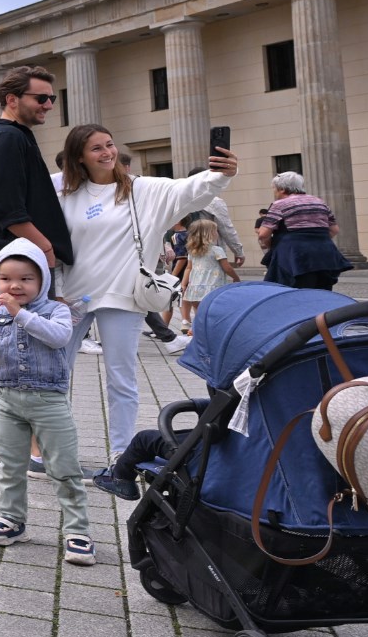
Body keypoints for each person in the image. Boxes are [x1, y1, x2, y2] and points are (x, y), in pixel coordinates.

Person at [56, 123, 235, 461]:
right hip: (73, 297)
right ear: (78, 156)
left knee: (121, 379)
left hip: (122, 296)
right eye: (96, 148)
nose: (107, 152)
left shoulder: (143, 189)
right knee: (55, 375)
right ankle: (55, 450)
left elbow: (188, 189)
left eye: (109, 144)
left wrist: (220, 175)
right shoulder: (65, 193)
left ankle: (120, 454)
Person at [0, 66, 76, 464]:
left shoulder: (5, 137)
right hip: (13, 262)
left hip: (0, 259)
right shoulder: (7, 138)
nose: (47, 105)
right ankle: (35, 449)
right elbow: (6, 206)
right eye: (40, 98)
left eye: (51, 99)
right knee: (24, 346)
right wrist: (44, 247)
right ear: (12, 100)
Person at [0, 238, 94, 565]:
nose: (15, 286)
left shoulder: (56, 310)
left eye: (26, 279)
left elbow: (59, 337)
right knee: (10, 467)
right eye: (6, 279)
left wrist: (19, 314)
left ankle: (77, 530)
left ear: (42, 280)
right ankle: (12, 520)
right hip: (7, 400)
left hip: (49, 402)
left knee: (64, 468)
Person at [257, 172, 352, 290]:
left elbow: (263, 234)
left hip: (295, 256)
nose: (274, 192)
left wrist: (273, 246)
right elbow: (334, 229)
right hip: (325, 254)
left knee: (296, 294)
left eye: (274, 189)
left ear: (281, 189)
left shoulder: (279, 204)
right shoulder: (319, 202)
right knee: (323, 293)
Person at [178, 217, 237, 332]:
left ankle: (195, 331)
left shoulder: (192, 251)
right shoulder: (216, 250)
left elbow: (188, 268)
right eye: (215, 231)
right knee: (213, 313)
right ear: (209, 234)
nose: (217, 233)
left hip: (195, 288)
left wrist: (184, 284)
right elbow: (227, 268)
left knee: (199, 314)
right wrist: (236, 278)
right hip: (212, 287)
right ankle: (211, 332)